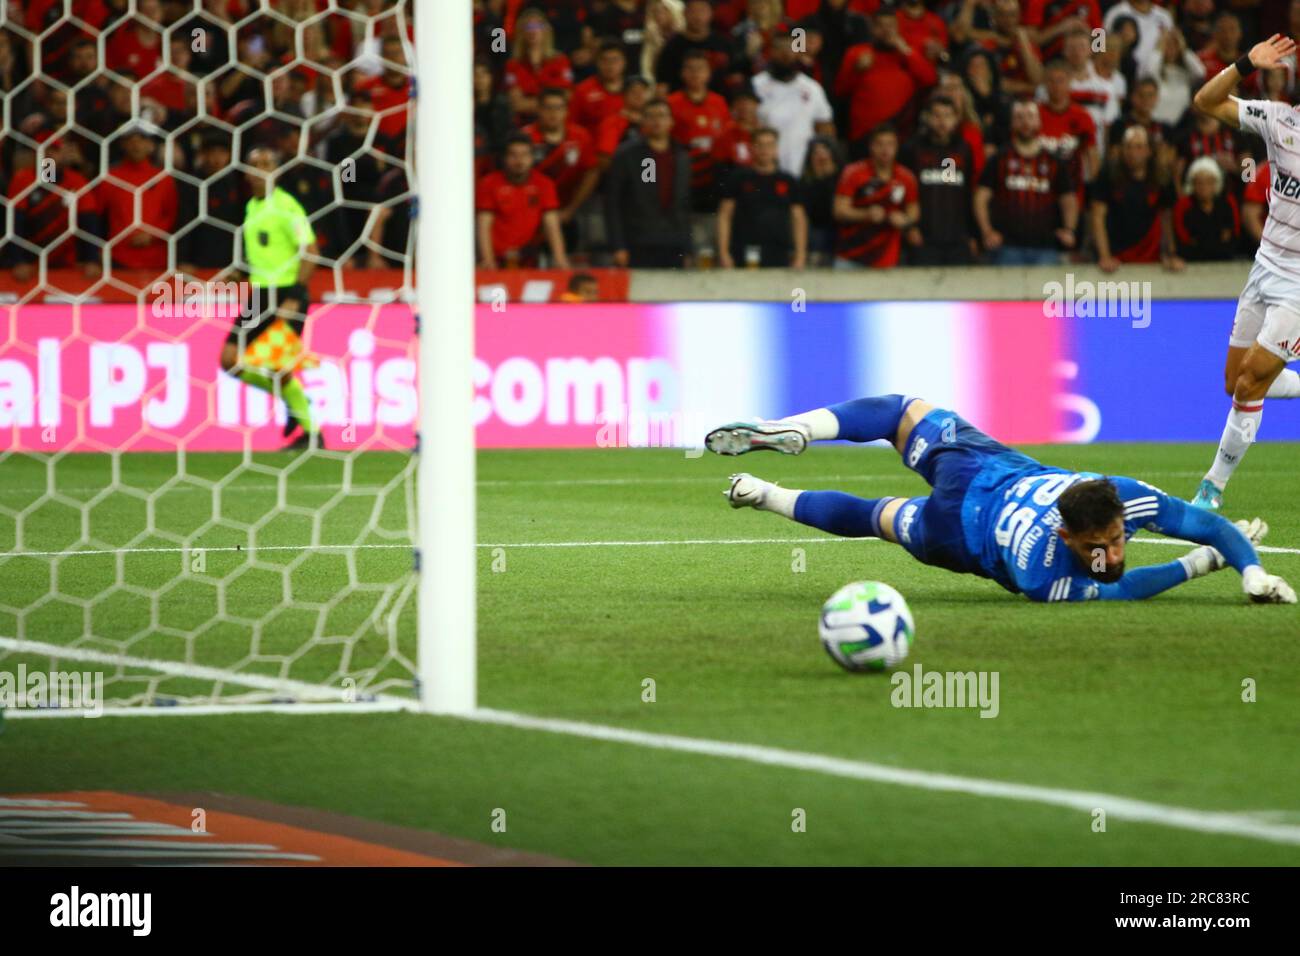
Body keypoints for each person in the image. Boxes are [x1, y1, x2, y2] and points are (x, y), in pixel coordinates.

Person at [702, 395, 1295, 604]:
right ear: (1066, 538)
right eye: (1098, 549)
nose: (1111, 556)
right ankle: (771, 490)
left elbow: (1205, 521)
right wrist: (1205, 563)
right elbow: (1134, 587)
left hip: (985, 476)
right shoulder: (1049, 579)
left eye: (1115, 541)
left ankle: (792, 436)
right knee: (876, 517)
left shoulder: (1124, 501)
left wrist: (1249, 569)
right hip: (958, 533)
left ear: (1121, 514)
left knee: (896, 413)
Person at [1187, 33, 1300, 512]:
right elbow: (1205, 101)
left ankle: (1210, 490)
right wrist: (1244, 64)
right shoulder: (1280, 120)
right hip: (1265, 264)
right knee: (1234, 381)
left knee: (1252, 380)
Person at [223, 147, 321, 450]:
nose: (259, 170)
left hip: (286, 294)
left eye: (266, 163)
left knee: (280, 368)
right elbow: (266, 255)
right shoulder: (252, 206)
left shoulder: (288, 206)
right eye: (254, 165)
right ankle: (293, 398)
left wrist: (296, 295)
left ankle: (312, 434)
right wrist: (241, 275)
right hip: (259, 294)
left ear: (277, 171)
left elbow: (311, 252)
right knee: (229, 361)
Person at [974, 99, 1077, 266]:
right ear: (1012, 123)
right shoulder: (999, 159)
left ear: (1039, 121)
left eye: (1030, 116)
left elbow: (1068, 199)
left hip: (1046, 247)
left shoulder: (1053, 161)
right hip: (1006, 248)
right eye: (1020, 117)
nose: (1025, 123)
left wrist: (1069, 230)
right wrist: (987, 232)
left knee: (1045, 292)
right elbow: (980, 197)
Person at [604, 98, 693, 268]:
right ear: (643, 121)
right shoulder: (628, 154)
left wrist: (688, 248)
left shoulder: (681, 155)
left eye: (661, 116)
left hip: (675, 242)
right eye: (651, 116)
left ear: (671, 121)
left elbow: (684, 205)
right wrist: (618, 246)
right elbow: (613, 203)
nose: (657, 121)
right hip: (639, 243)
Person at [899, 94, 977, 265]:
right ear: (927, 117)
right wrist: (909, 228)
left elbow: (969, 193)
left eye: (947, 116)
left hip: (957, 240)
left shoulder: (964, 149)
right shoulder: (912, 149)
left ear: (956, 118)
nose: (942, 121)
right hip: (923, 238)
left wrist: (972, 234)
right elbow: (903, 191)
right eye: (936, 115)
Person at [1089, 125, 1179, 272]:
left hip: (1151, 253)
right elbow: (1097, 216)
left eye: (1139, 147)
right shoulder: (1108, 175)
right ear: (1122, 150)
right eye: (1128, 147)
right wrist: (1104, 256)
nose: (1133, 153)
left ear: (1149, 151)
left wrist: (1171, 253)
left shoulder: (1161, 178)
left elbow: (1167, 218)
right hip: (1117, 254)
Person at [716, 126, 806, 269]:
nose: (765, 149)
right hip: (743, 251)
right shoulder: (738, 178)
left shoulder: (789, 181)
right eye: (760, 145)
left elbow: (798, 219)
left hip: (779, 252)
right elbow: (724, 215)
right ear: (752, 148)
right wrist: (723, 253)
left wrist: (800, 255)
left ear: (777, 149)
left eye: (770, 145)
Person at [475, 133, 569, 269]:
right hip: (496, 261)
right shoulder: (489, 184)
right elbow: (484, 225)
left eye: (525, 155)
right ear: (504, 158)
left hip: (530, 260)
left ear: (532, 158)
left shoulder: (544, 185)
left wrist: (560, 259)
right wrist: (487, 260)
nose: (519, 161)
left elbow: (552, 225)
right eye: (513, 155)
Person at [832, 124, 919, 270]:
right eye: (880, 144)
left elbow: (914, 211)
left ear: (897, 147)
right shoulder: (853, 173)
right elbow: (839, 210)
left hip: (888, 259)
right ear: (871, 146)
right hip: (851, 256)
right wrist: (865, 214)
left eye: (890, 144)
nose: (885, 150)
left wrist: (905, 221)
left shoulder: (906, 177)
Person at [753, 30, 835, 177]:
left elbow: (825, 128)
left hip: (803, 170)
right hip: (766, 171)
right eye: (780, 48)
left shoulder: (812, 88)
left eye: (790, 48)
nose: (786, 54)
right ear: (771, 52)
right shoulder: (756, 85)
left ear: (797, 52)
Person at [1173, 156, 1241, 262]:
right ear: (1193, 185)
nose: (1204, 187)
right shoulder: (1186, 209)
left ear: (1216, 184)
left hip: (1225, 263)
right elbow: (1184, 242)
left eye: (1209, 182)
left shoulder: (1226, 206)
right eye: (1199, 182)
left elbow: (1232, 237)